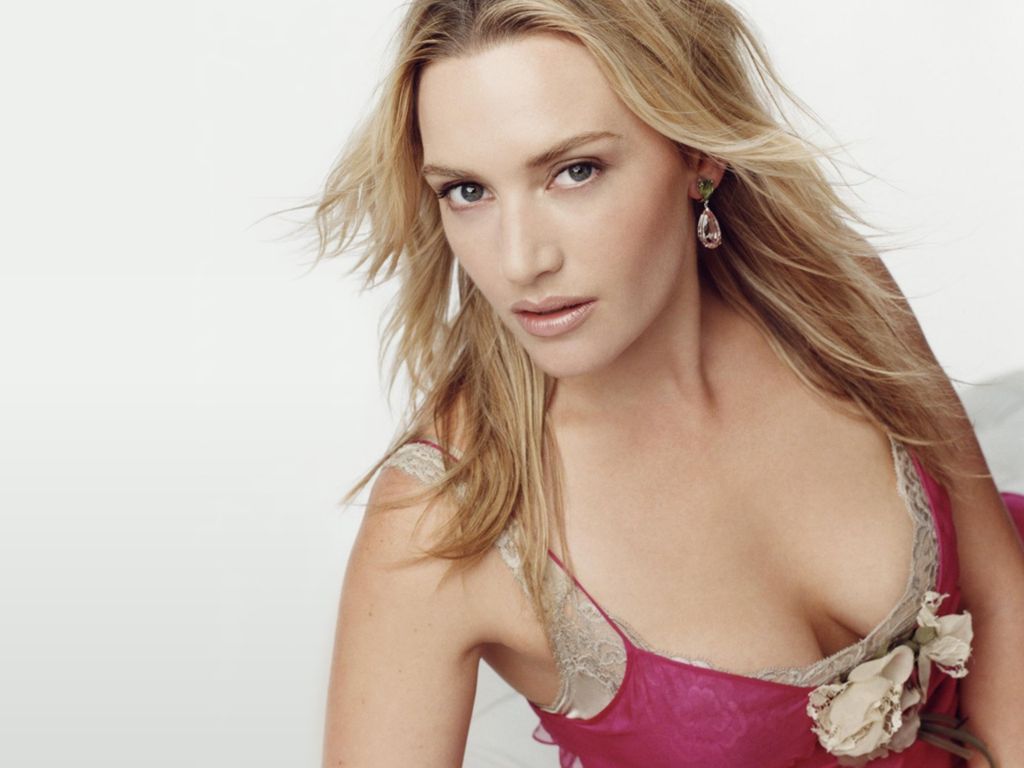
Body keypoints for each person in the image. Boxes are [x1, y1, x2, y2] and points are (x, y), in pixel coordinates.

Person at [313, 1, 1024, 765]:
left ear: (698, 155)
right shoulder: (442, 515)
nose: (520, 261)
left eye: (574, 172)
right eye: (467, 190)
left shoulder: (838, 303)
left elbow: (1000, 605)